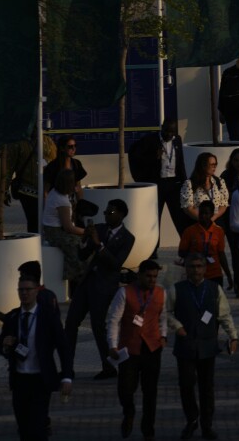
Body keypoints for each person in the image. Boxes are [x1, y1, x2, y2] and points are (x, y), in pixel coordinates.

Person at [166, 254, 237, 440]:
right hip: (185, 346)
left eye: (199, 266)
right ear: (186, 268)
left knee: (207, 388)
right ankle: (192, 419)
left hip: (207, 346)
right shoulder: (176, 289)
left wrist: (233, 336)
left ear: (205, 269)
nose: (195, 270)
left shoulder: (214, 289)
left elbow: (224, 315)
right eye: (192, 266)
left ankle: (207, 425)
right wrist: (177, 326)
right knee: (186, 385)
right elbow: (165, 313)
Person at [0, 272, 74, 441]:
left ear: (36, 291)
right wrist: (5, 346)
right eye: (21, 290)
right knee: (23, 427)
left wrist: (67, 377)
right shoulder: (12, 317)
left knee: (38, 427)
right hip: (19, 380)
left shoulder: (48, 316)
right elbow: (0, 346)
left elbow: (64, 347)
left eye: (28, 289)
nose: (24, 293)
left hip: (41, 379)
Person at [65, 198, 134, 379]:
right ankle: (67, 368)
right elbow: (82, 255)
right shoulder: (100, 229)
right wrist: (85, 240)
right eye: (105, 212)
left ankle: (108, 366)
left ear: (121, 214)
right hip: (87, 282)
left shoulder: (127, 238)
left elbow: (116, 264)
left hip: (104, 286)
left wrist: (99, 245)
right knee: (71, 323)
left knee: (98, 326)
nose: (106, 215)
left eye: (110, 212)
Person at [104, 259, 165, 440]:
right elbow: (113, 320)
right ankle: (128, 412)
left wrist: (163, 336)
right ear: (139, 275)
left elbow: (163, 317)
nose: (152, 280)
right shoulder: (124, 293)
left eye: (155, 277)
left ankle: (148, 431)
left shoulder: (162, 293)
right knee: (125, 389)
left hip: (152, 349)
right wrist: (112, 345)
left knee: (150, 392)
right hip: (129, 349)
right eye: (148, 276)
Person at [127, 118, 186, 233]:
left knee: (180, 217)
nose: (169, 134)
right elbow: (135, 156)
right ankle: (154, 248)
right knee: (154, 218)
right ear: (162, 127)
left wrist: (185, 182)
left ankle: (186, 246)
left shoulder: (177, 140)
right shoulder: (150, 140)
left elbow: (180, 162)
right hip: (157, 184)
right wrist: (154, 157)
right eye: (166, 131)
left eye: (172, 132)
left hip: (174, 184)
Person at [41, 166, 86, 283]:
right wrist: (85, 232)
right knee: (77, 244)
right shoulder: (62, 201)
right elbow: (68, 227)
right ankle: (75, 276)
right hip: (54, 232)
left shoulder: (54, 192)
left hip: (51, 229)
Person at [179, 152, 229, 236]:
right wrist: (204, 220)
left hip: (217, 223)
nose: (214, 167)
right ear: (203, 165)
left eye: (215, 164)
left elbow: (223, 204)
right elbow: (188, 208)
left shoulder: (219, 182)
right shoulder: (189, 184)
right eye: (212, 164)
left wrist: (212, 219)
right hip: (197, 224)